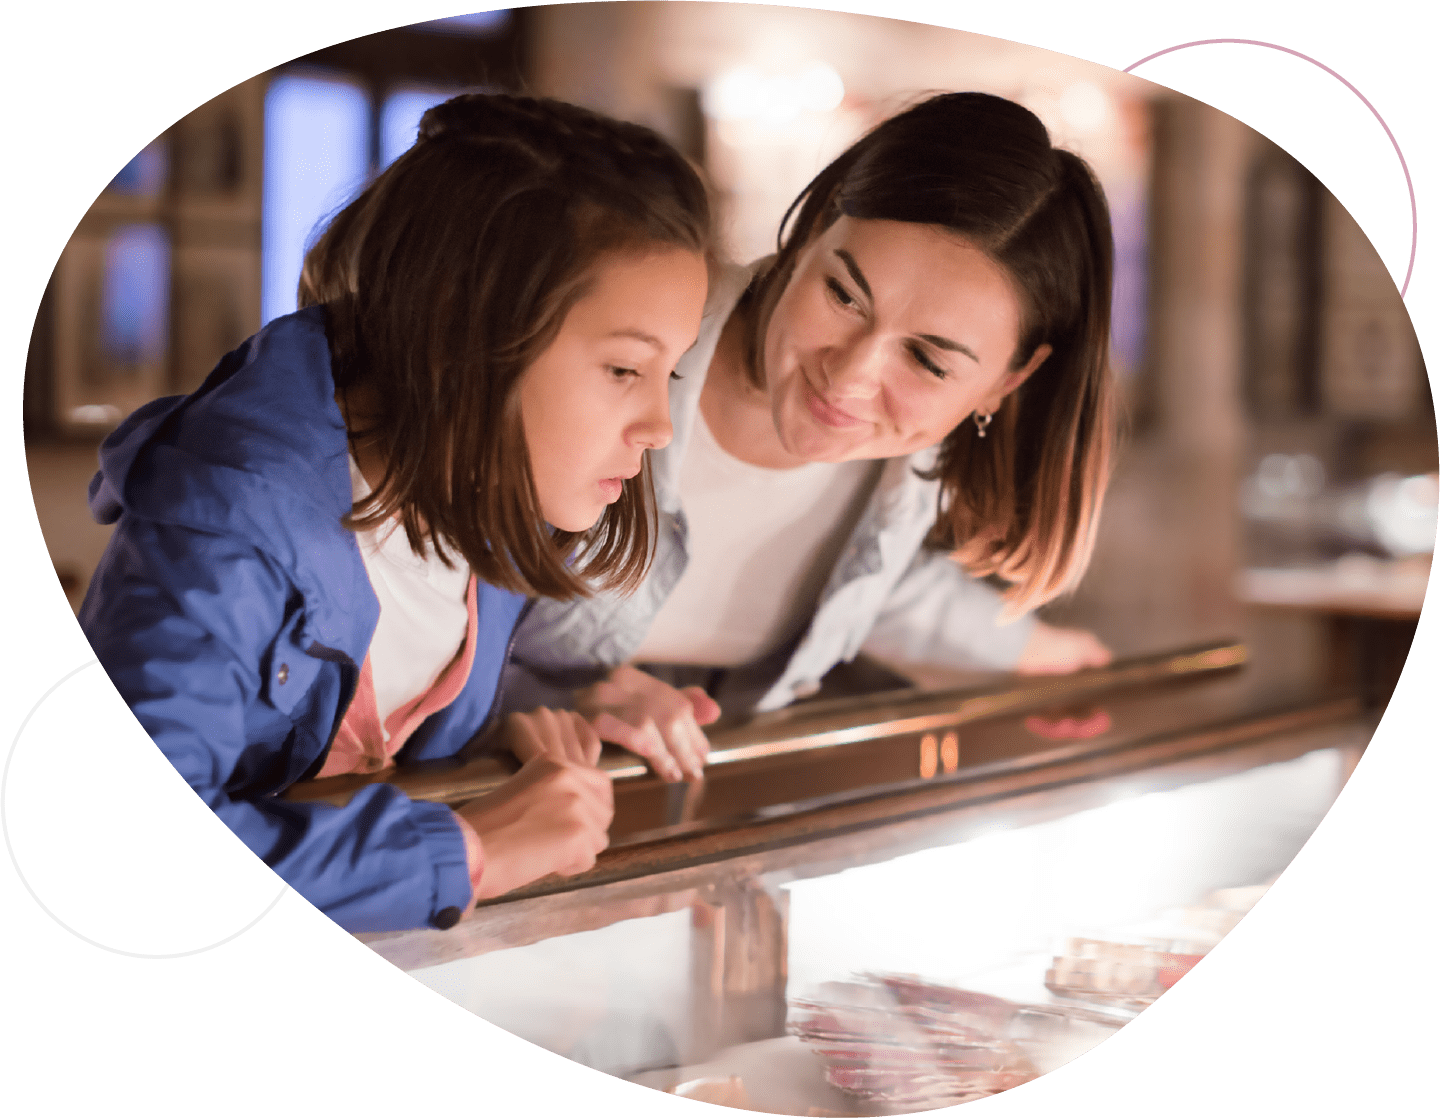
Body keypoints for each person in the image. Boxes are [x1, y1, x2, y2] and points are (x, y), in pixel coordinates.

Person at [77, 94, 711, 932]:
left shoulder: (485, 501)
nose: (660, 427)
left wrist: (558, 703)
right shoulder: (223, 530)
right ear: (462, 334)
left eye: (669, 373)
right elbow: (118, 857)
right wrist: (469, 849)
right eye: (625, 370)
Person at [503, 92, 1117, 782]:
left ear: (1009, 380)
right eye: (845, 296)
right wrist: (553, 698)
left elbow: (871, 588)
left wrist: (1028, 652)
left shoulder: (908, 471)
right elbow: (412, 588)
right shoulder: (618, 342)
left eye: (927, 361)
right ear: (815, 232)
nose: (850, 377)